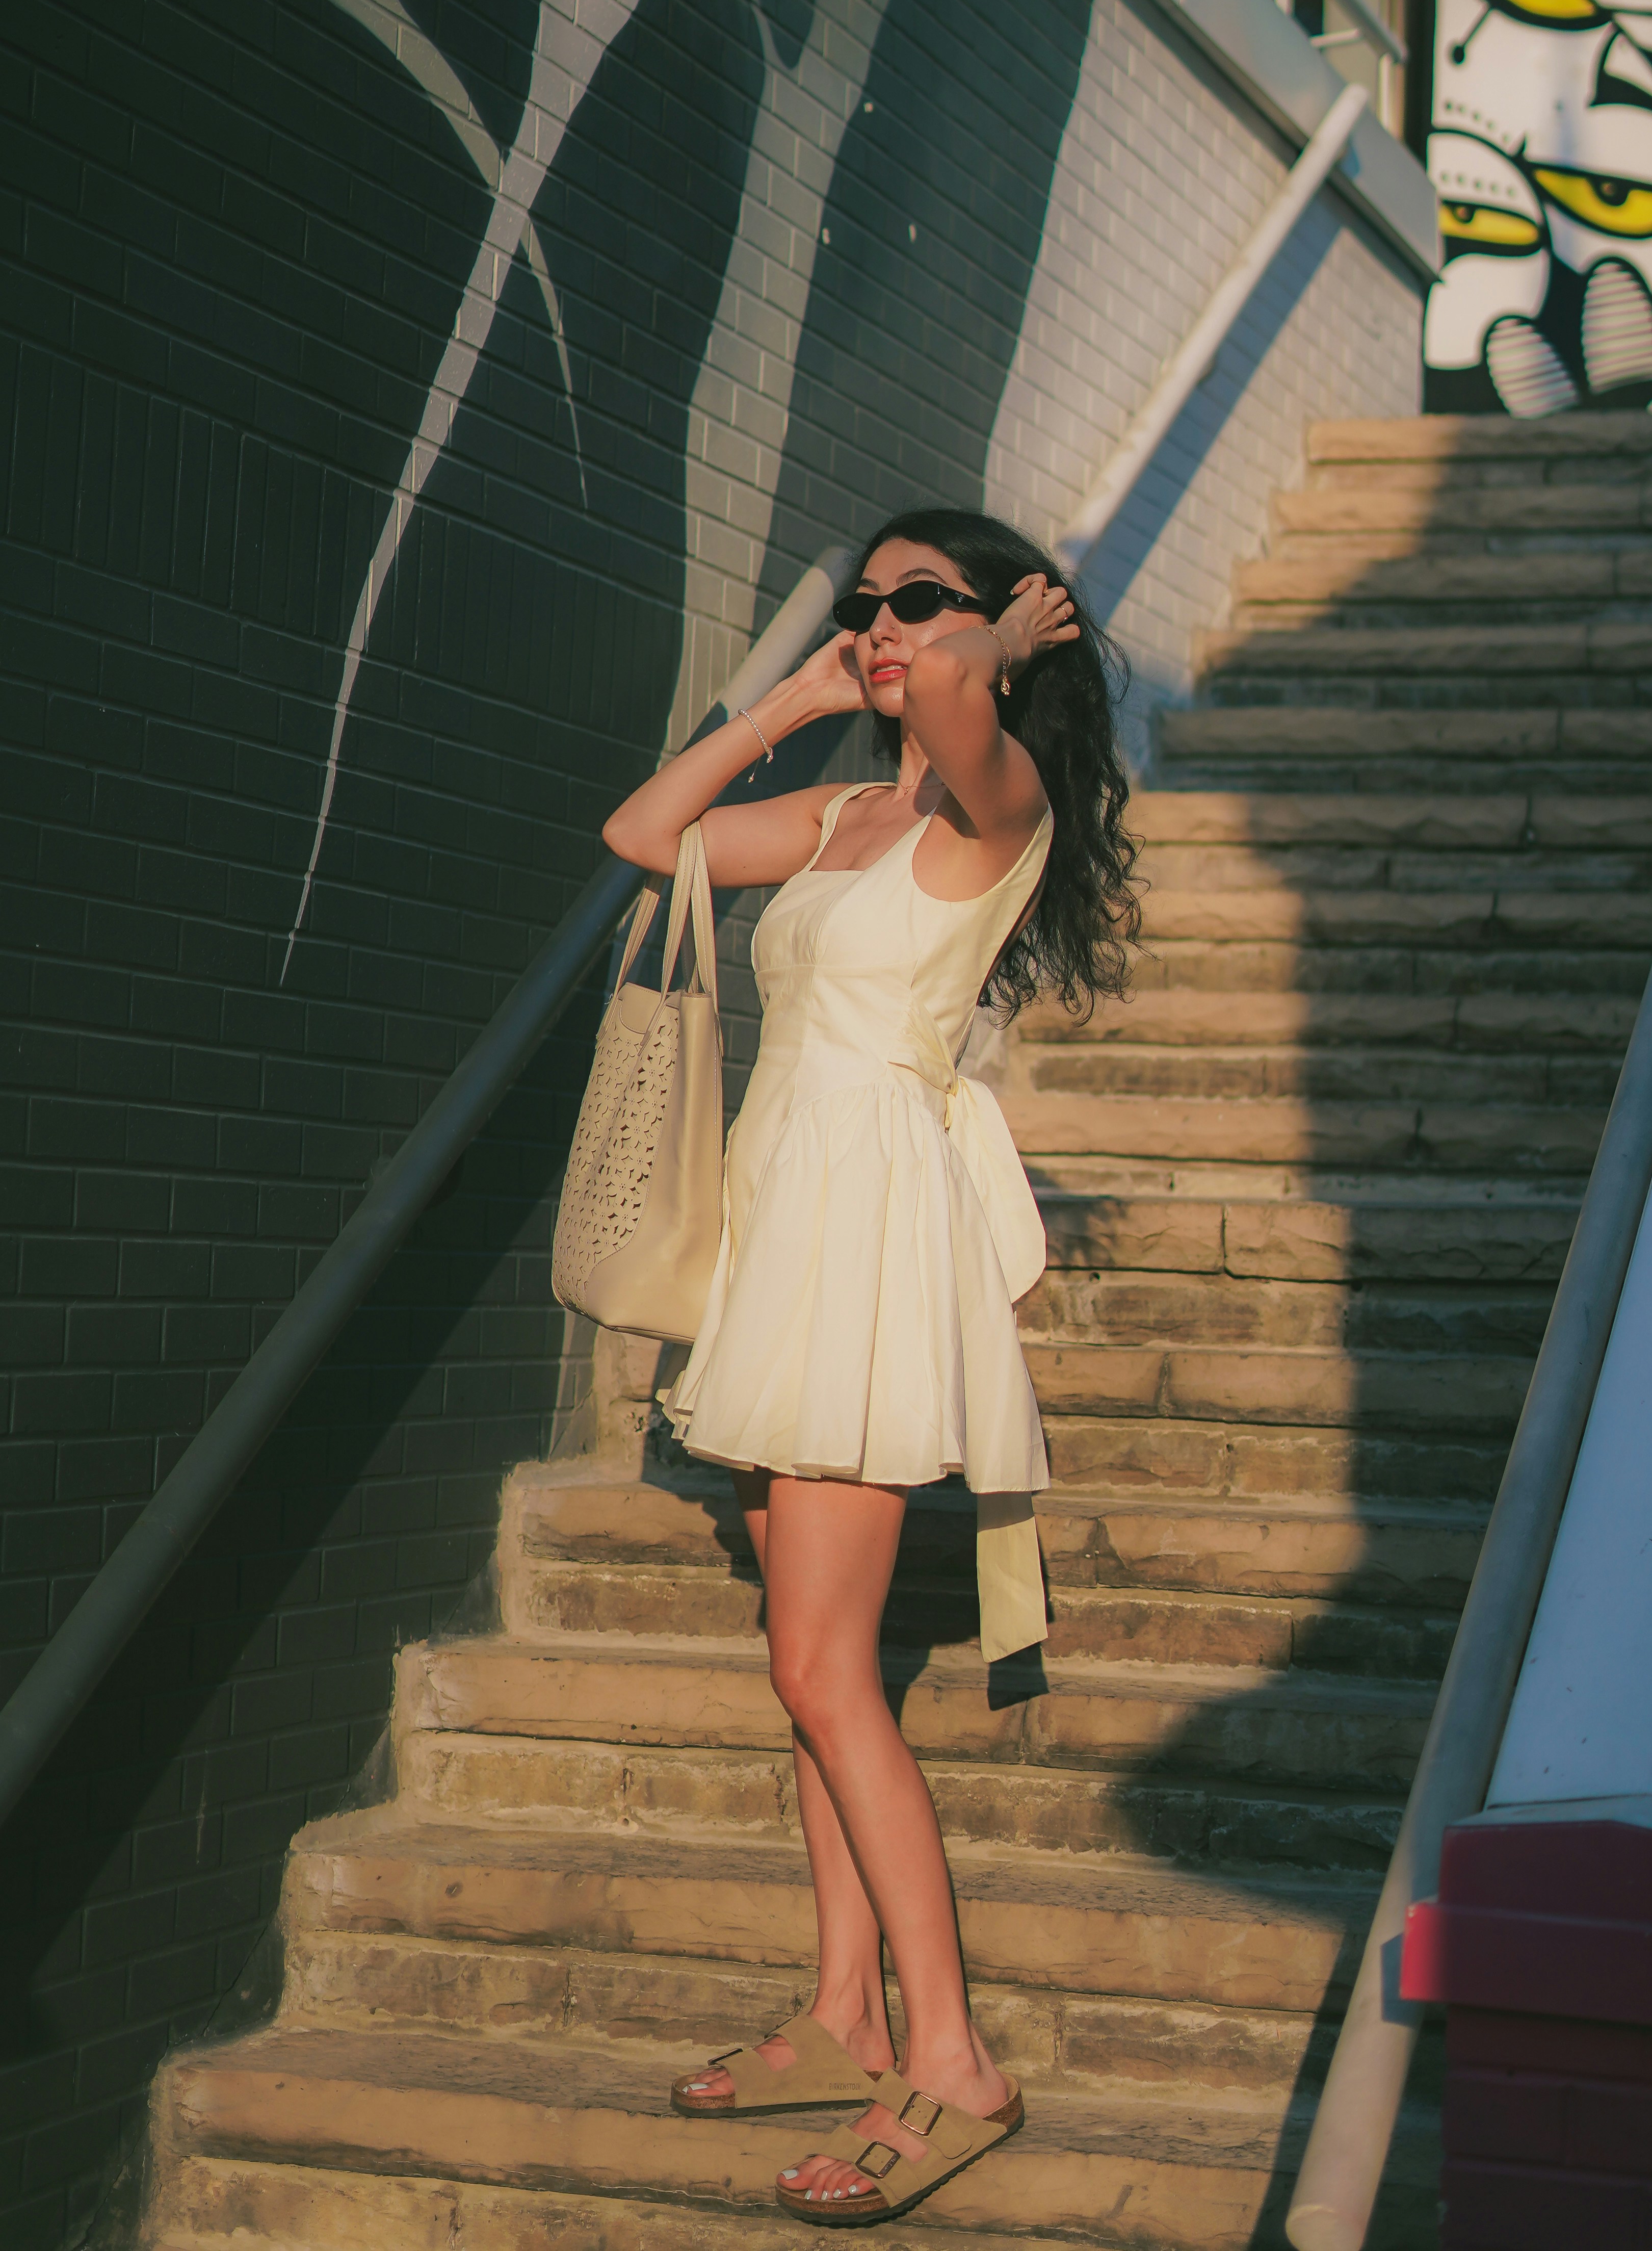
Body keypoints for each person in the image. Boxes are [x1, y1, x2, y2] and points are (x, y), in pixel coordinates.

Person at [601, 508, 1139, 2226]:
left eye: (920, 601)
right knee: (807, 1659)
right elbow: (642, 831)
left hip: (864, 1247)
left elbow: (974, 713)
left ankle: (953, 2056)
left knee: (826, 1668)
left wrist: (1003, 645)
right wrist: (799, 695)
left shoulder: (998, 811)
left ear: (997, 631)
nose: (887, 625)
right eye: (869, 603)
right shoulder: (846, 809)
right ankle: (841, 2010)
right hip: (782, 1228)